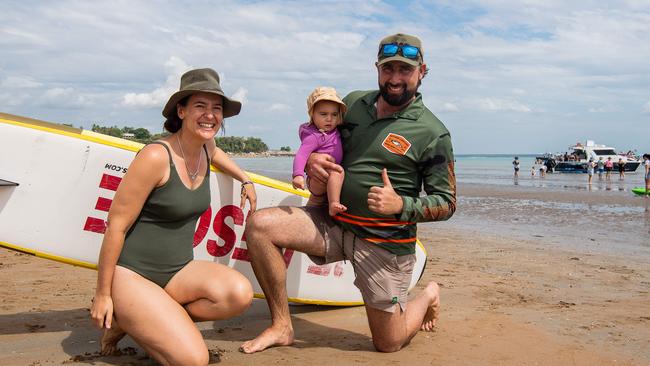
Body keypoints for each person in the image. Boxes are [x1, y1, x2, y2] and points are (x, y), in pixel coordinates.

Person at [240, 33, 455, 354]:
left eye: (405, 70)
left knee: (389, 343)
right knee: (260, 226)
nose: (395, 78)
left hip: (383, 243)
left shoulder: (432, 132)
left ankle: (428, 296)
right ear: (377, 69)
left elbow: (447, 202)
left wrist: (400, 205)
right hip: (334, 222)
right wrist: (312, 160)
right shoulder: (353, 104)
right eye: (388, 69)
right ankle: (282, 325)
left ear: (422, 71)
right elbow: (320, 136)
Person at [90, 68, 256, 365]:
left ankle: (148, 319)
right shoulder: (156, 156)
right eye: (200, 106)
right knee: (193, 360)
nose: (210, 115)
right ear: (181, 111)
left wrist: (245, 179)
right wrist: (103, 294)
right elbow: (115, 225)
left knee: (239, 293)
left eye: (216, 108)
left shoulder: (205, 147)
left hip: (178, 271)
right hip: (132, 275)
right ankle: (129, 316)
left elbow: (217, 154)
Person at [292, 87, 347, 216]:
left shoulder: (335, 131)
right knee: (338, 171)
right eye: (323, 114)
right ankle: (333, 204)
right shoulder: (314, 136)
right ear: (312, 115)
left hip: (328, 178)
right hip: (316, 179)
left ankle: (325, 205)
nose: (329, 119)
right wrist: (298, 175)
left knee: (336, 172)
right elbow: (301, 154)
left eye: (334, 114)